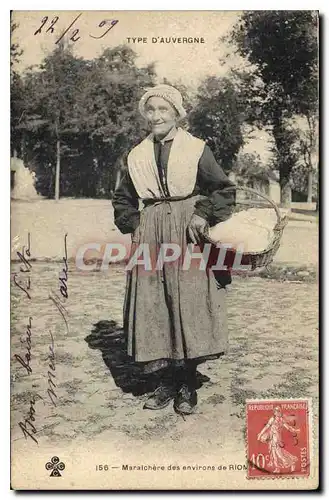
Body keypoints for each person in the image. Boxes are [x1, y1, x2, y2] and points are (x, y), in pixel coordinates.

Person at [112, 84, 235, 415]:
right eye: (150, 110)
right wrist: (133, 223)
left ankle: (187, 384)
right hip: (150, 230)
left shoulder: (195, 149)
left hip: (186, 230)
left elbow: (223, 189)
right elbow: (123, 197)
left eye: (163, 110)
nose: (156, 116)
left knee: (188, 302)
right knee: (154, 303)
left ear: (177, 113)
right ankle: (165, 381)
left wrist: (202, 213)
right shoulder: (136, 154)